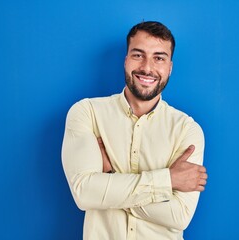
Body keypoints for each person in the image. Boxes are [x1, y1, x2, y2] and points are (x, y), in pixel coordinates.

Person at [62, 21, 207, 240]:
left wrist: (111, 180)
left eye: (159, 58)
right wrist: (167, 180)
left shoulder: (187, 130)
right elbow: (84, 193)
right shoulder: (88, 112)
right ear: (126, 60)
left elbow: (179, 216)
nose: (147, 67)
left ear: (170, 67)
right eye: (138, 55)